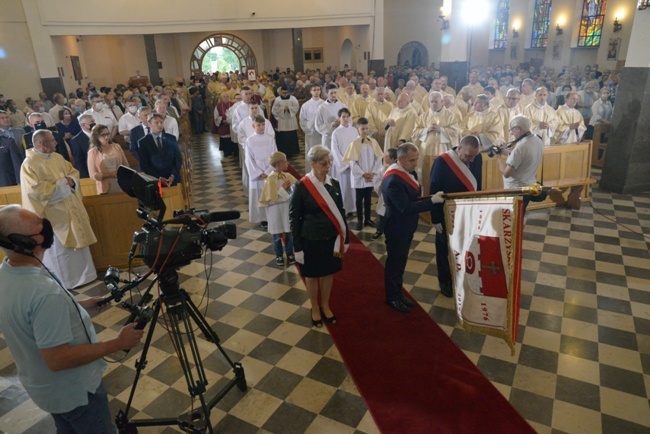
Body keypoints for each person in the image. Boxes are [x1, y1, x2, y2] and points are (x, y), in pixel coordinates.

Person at [0, 205, 143, 433]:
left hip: (45, 389)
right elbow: (57, 359)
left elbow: (32, 318)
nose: (45, 226)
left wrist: (81, 307)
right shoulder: (44, 293)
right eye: (39, 225)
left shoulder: (7, 273)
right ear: (24, 243)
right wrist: (117, 344)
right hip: (74, 392)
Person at [20, 129, 98, 289]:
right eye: (52, 140)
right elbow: (35, 191)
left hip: (70, 206)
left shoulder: (57, 157)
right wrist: (63, 184)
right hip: (53, 214)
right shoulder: (29, 164)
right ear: (42, 143)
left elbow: (73, 173)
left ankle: (87, 275)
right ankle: (67, 281)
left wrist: (71, 181)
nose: (56, 143)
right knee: (61, 249)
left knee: (79, 244)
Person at [290, 145, 349, 327]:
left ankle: (325, 305)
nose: (328, 166)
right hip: (310, 239)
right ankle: (315, 307)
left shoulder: (334, 184)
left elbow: (340, 212)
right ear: (312, 164)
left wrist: (345, 238)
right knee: (313, 275)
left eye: (329, 162)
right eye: (324, 163)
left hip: (330, 239)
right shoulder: (302, 186)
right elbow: (294, 218)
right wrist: (297, 246)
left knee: (328, 272)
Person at [381, 142, 444, 313]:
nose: (415, 164)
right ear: (400, 159)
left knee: (401, 262)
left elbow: (412, 199)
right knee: (395, 264)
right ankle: (392, 297)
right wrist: (431, 202)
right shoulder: (394, 179)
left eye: (416, 160)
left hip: (405, 225)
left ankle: (399, 293)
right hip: (396, 226)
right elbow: (405, 207)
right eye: (412, 160)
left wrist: (430, 198)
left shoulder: (406, 172)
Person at [429, 135, 482, 297]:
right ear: (459, 148)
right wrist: (436, 218)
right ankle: (444, 281)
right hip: (446, 212)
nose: (471, 160)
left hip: (467, 212)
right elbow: (434, 190)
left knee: (465, 246)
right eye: (468, 156)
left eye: (474, 156)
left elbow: (477, 184)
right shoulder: (442, 162)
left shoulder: (477, 158)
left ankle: (463, 276)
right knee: (444, 247)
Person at [496, 115, 544, 212]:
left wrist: (497, 156)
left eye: (512, 130)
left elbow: (506, 173)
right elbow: (522, 157)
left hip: (515, 190)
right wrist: (504, 151)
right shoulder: (537, 140)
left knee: (513, 219)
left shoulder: (521, 147)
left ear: (518, 129)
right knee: (520, 216)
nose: (512, 133)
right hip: (528, 185)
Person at [343, 117, 383, 230]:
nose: (365, 131)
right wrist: (362, 174)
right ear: (357, 129)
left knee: (368, 198)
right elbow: (352, 162)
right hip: (359, 177)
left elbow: (378, 158)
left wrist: (373, 172)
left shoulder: (373, 142)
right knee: (359, 199)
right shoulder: (354, 143)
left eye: (367, 128)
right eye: (362, 129)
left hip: (370, 175)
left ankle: (368, 219)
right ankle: (360, 220)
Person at [258, 151, 297, 267]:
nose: (287, 164)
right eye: (285, 162)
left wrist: (289, 189)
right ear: (278, 164)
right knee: (277, 236)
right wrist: (283, 189)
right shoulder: (270, 179)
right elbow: (272, 199)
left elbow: (295, 191)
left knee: (289, 233)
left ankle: (290, 253)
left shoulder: (288, 176)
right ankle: (279, 255)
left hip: (286, 210)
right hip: (275, 212)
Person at [245, 115, 278, 228]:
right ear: (253, 126)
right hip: (257, 171)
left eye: (263, 124)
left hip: (269, 169)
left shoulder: (270, 139)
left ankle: (271, 216)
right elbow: (248, 159)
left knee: (270, 193)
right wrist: (259, 172)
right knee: (259, 194)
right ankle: (262, 218)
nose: (261, 127)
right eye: (258, 125)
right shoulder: (250, 140)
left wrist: (269, 170)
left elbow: (275, 155)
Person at [137, 113, 182, 186]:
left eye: (161, 122)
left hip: (173, 178)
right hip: (155, 180)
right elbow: (144, 164)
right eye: (156, 123)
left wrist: (173, 175)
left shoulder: (171, 138)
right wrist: (159, 178)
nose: (160, 125)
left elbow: (178, 159)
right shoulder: (143, 142)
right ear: (149, 124)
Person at [330, 107, 358, 217]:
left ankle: (353, 207)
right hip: (342, 165)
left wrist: (354, 162)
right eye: (343, 117)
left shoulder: (354, 131)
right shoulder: (336, 133)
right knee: (343, 187)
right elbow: (334, 150)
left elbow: (357, 147)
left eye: (347, 116)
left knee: (353, 188)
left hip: (353, 164)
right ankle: (344, 209)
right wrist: (345, 164)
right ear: (339, 118)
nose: (345, 119)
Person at [87, 124, 130, 194]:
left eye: (107, 134)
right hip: (105, 185)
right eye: (103, 135)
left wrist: (121, 174)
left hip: (120, 182)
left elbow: (126, 165)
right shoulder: (92, 152)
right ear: (96, 137)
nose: (106, 137)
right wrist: (109, 175)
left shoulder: (116, 146)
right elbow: (93, 174)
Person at [371, 147, 397, 241]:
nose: (384, 157)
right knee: (381, 216)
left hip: (392, 196)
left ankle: (390, 232)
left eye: (386, 156)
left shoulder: (397, 169)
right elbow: (377, 180)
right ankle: (379, 230)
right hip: (383, 195)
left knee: (390, 216)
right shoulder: (382, 169)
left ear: (392, 158)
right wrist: (380, 185)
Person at [298, 85, 324, 167]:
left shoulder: (324, 104)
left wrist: (322, 129)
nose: (316, 92)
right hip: (311, 134)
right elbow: (302, 120)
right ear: (310, 92)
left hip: (322, 134)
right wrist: (310, 128)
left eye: (318, 89)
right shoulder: (306, 105)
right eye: (314, 90)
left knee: (322, 153)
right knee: (311, 152)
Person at [315, 84, 347, 150]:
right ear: (326, 94)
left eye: (335, 92)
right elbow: (318, 125)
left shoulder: (342, 106)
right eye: (331, 93)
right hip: (328, 138)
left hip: (341, 137)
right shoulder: (322, 107)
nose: (333, 95)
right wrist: (331, 124)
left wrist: (342, 123)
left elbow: (350, 121)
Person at [272, 85, 300, 158]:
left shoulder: (293, 98)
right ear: (281, 92)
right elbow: (274, 110)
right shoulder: (277, 99)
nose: (285, 94)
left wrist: (289, 108)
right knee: (282, 136)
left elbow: (296, 107)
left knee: (291, 135)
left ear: (288, 92)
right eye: (283, 92)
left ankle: (292, 151)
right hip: (282, 120)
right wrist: (283, 109)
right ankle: (282, 150)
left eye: (286, 92)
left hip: (291, 119)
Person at [0, 110, 25, 186]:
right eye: (2, 118)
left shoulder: (20, 131)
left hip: (24, 160)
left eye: (7, 117)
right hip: (10, 168)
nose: (6, 119)